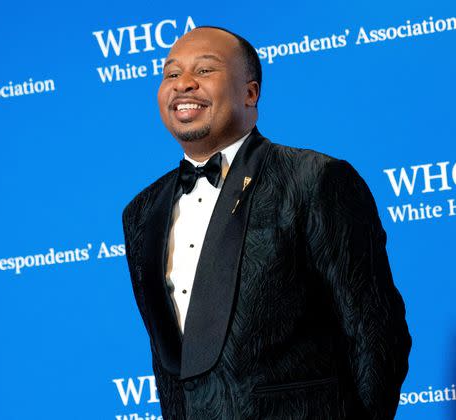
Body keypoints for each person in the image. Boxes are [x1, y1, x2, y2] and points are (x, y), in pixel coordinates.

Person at [121, 26, 412, 419]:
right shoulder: (141, 211)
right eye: (171, 74)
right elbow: (170, 363)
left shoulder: (314, 179)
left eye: (204, 70)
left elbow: (375, 334)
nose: (183, 84)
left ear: (250, 92)